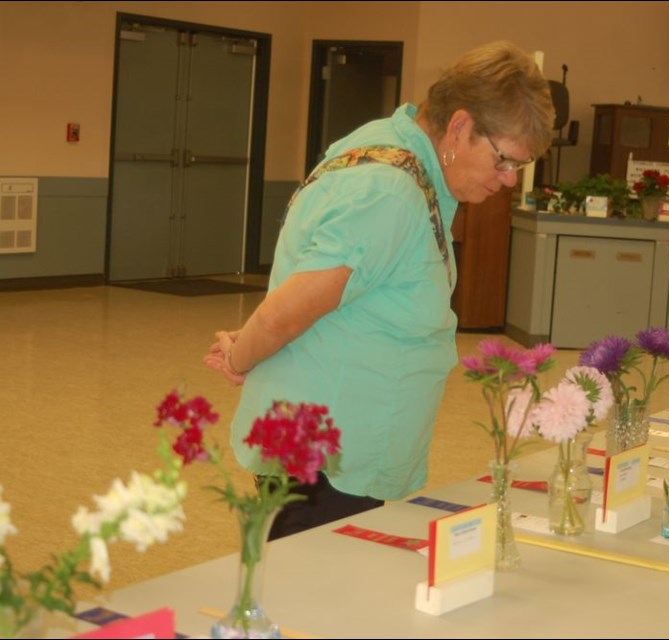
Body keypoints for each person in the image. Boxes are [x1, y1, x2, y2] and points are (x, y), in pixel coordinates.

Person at [204, 40, 555, 540]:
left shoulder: (390, 145)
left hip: (334, 442)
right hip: (328, 458)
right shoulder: (389, 192)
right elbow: (287, 313)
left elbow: (334, 284)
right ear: (458, 127)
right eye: (504, 160)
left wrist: (249, 343)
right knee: (311, 594)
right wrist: (241, 360)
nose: (507, 180)